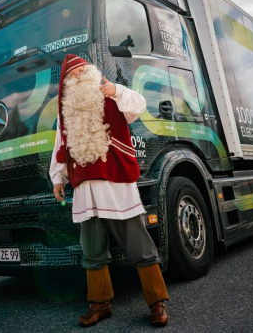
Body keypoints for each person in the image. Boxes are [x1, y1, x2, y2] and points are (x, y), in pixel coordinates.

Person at [50, 55, 170, 327]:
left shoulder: (112, 97)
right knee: (91, 250)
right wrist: (57, 179)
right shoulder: (65, 113)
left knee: (139, 246)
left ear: (92, 73)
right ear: (67, 83)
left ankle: (157, 302)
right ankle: (100, 304)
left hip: (116, 186)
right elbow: (60, 146)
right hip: (85, 190)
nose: (79, 75)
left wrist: (115, 89)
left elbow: (139, 105)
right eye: (74, 73)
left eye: (83, 69)